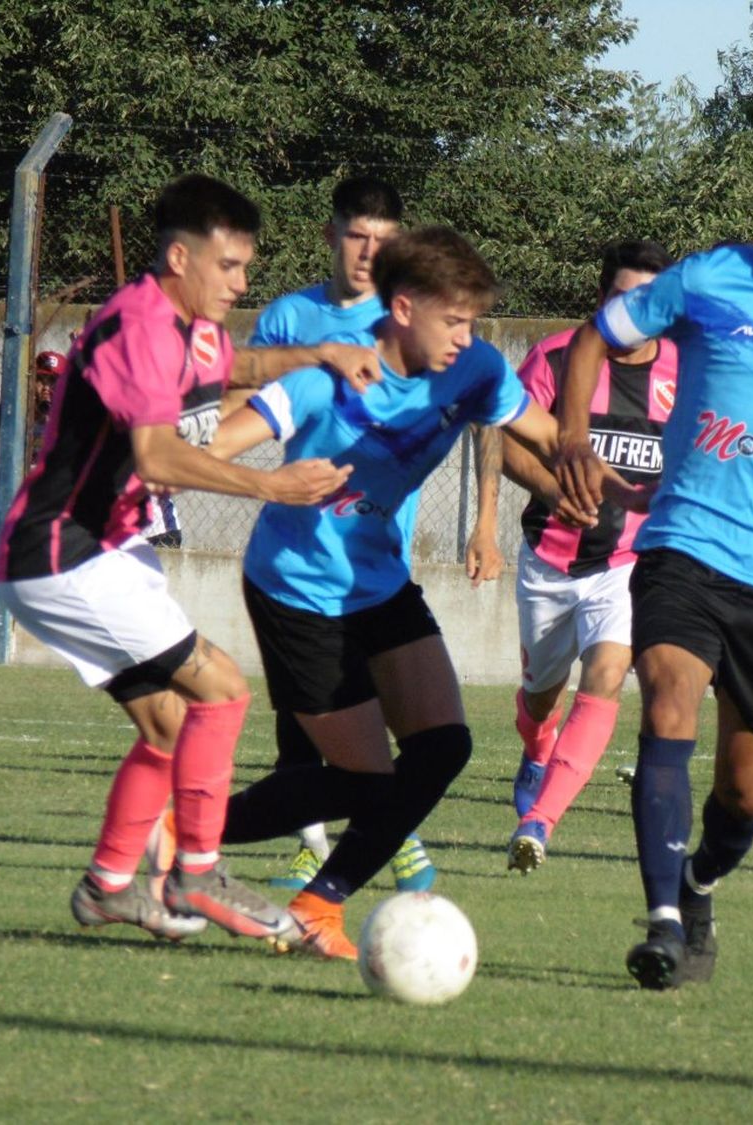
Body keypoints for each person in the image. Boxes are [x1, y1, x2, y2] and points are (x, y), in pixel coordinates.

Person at [211, 226, 640, 958]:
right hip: (299, 590)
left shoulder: (470, 368)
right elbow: (213, 446)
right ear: (403, 307)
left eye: (474, 321)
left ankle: (320, 903)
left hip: (376, 581)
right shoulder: (332, 376)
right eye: (455, 319)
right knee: (358, 780)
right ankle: (184, 831)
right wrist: (269, 480)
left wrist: (578, 468)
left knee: (442, 747)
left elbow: (538, 431)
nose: (467, 337)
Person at [554, 134, 753, 990]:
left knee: (744, 792)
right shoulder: (704, 279)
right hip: (687, 544)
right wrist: (572, 436)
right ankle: (661, 919)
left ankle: (697, 885)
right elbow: (591, 339)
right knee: (667, 700)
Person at [0, 173, 351, 942]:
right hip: (65, 551)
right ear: (181, 257)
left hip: (102, 550)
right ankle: (196, 870)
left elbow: (235, 367)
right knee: (222, 689)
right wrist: (272, 484)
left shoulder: (191, 326)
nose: (242, 282)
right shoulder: (141, 326)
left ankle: (109, 885)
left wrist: (318, 352)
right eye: (230, 267)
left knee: (167, 724)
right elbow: (155, 454)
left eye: (246, 267)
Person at [237, 174, 437, 896]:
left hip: (380, 556)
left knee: (393, 720)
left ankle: (385, 831)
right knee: (313, 720)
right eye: (357, 235)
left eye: (384, 241)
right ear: (331, 234)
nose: (369, 252)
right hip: (304, 553)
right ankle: (323, 843)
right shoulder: (292, 318)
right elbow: (243, 401)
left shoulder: (409, 320)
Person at [467, 239, 677, 874]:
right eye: (620, 298)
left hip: (627, 565)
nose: (633, 312)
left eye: (646, 301)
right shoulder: (558, 357)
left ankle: (539, 822)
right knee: (539, 695)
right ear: (600, 300)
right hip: (548, 562)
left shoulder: (686, 373)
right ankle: (536, 747)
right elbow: (503, 435)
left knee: (609, 675)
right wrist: (495, 522)